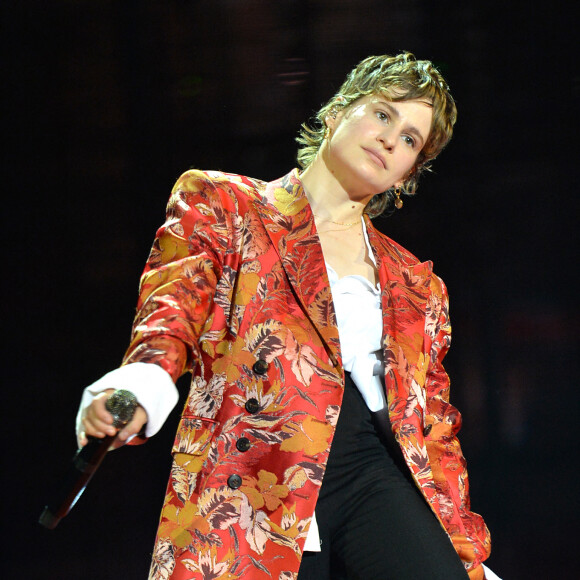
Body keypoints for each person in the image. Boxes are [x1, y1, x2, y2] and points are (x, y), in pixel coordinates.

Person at [78, 52, 497, 579]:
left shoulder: (416, 283)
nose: (392, 138)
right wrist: (141, 384)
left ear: (409, 172)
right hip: (255, 470)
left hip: (371, 470)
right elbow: (173, 310)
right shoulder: (227, 205)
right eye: (383, 113)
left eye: (411, 139)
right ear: (336, 112)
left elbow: (434, 427)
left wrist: (466, 553)